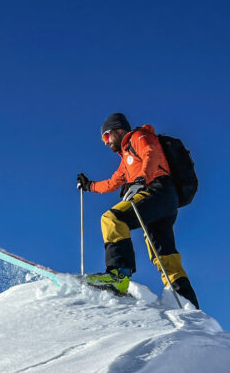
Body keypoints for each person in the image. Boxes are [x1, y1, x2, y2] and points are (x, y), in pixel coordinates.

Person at [77, 112, 200, 308]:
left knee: (112, 219)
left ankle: (118, 276)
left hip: (158, 190)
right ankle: (187, 305)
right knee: (163, 255)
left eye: (107, 136)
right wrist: (89, 186)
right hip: (163, 204)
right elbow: (111, 183)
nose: (106, 142)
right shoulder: (126, 160)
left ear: (119, 130)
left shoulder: (138, 137)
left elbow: (150, 153)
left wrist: (141, 179)